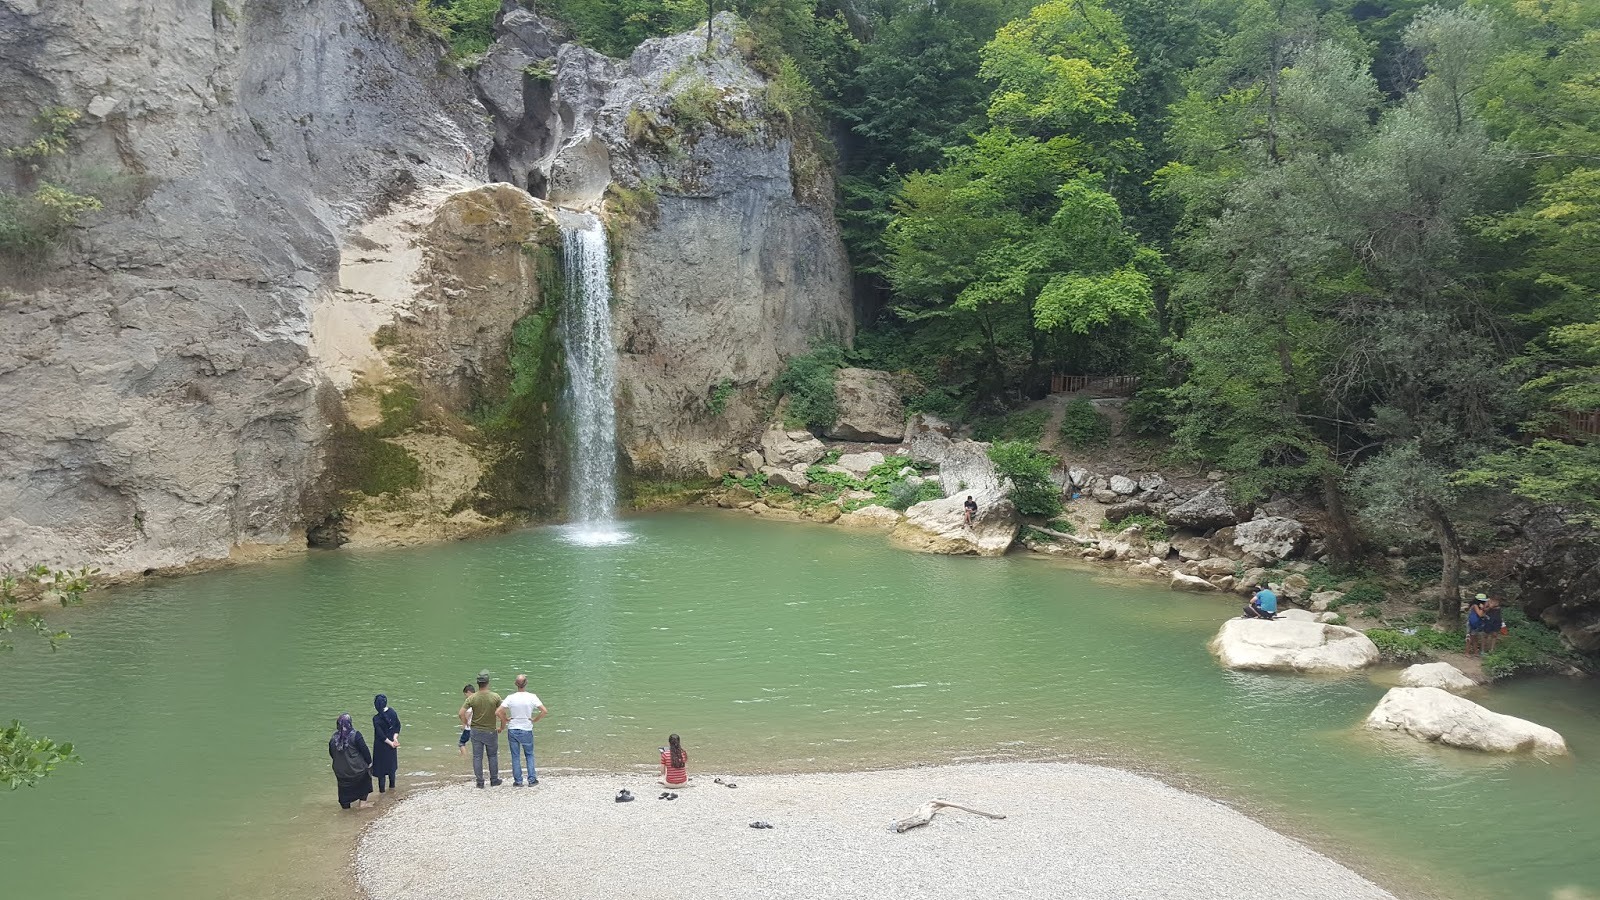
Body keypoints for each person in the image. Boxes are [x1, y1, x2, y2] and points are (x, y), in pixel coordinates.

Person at [498, 674, 547, 787]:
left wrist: (505, 719)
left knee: (515, 756)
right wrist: (534, 720)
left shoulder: (510, 697)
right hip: (526, 728)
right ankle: (531, 779)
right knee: (529, 754)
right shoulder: (532, 697)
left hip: (513, 728)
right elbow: (544, 711)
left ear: (516, 684)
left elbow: (498, 712)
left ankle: (518, 781)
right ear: (526, 683)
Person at [460, 670, 504, 788]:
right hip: (490, 730)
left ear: (478, 683)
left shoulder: (472, 698)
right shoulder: (495, 696)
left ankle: (480, 782)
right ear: (488, 682)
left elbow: (461, 713)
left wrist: (466, 724)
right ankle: (494, 780)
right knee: (492, 756)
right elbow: (502, 712)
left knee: (477, 757)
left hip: (476, 731)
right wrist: (502, 725)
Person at [328, 713, 375, 810]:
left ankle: (346, 808)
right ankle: (362, 804)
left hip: (341, 772)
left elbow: (332, 754)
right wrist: (369, 763)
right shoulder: (356, 735)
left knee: (344, 789)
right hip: (356, 769)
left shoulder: (333, 739)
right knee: (365, 778)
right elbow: (365, 751)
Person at [371, 694, 401, 794]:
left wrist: (390, 743)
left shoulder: (376, 719)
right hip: (391, 746)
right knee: (391, 769)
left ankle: (382, 793)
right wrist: (394, 739)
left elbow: (380, 735)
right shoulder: (392, 712)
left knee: (381, 773)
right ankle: (392, 789)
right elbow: (398, 725)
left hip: (381, 747)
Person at [458, 684, 475, 757]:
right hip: (478, 726)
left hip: (469, 727)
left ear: (468, 692)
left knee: (461, 743)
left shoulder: (470, 700)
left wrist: (464, 724)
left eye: (465, 694)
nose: (465, 696)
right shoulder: (478, 698)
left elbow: (467, 713)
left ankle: (464, 757)